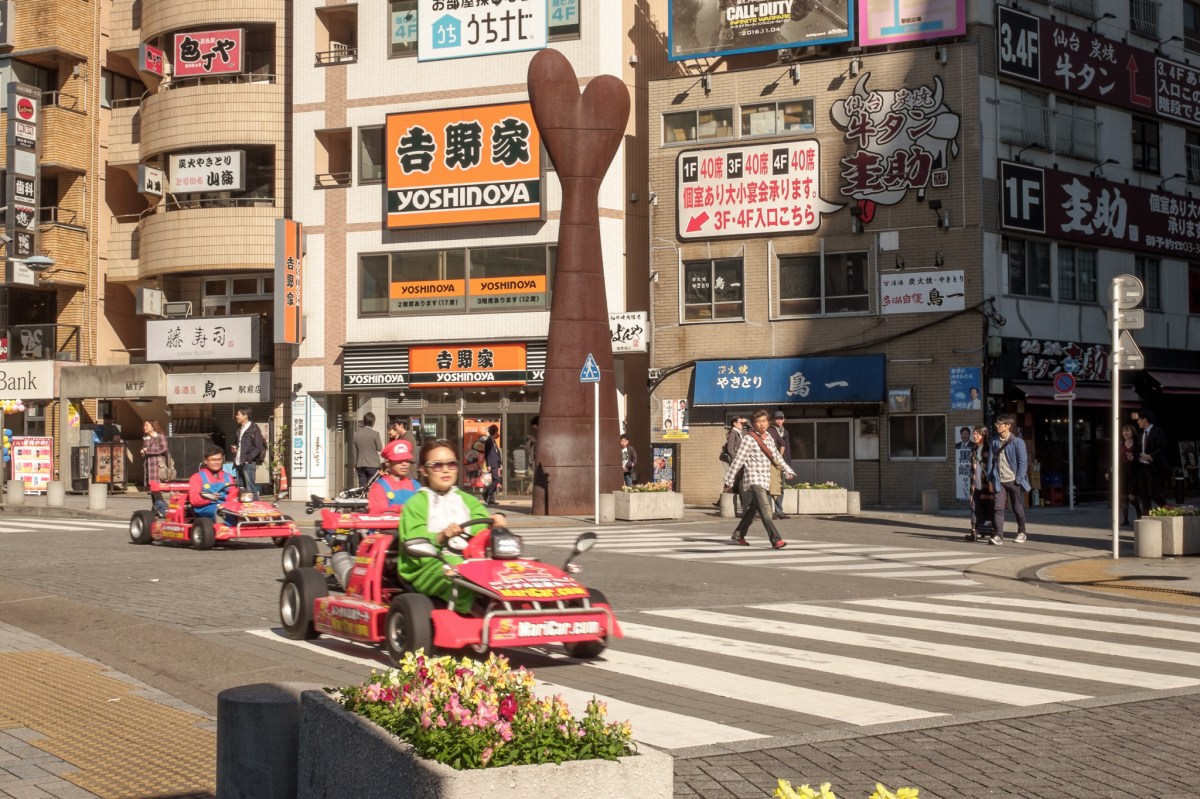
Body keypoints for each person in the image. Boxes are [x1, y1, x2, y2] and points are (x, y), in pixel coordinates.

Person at [397, 440, 507, 612]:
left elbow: (481, 522)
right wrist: (441, 536)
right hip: (427, 566)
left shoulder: (467, 499)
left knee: (511, 570)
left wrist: (495, 522)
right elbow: (413, 541)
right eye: (437, 465)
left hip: (469, 559)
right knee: (462, 575)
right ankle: (472, 615)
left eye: (451, 464)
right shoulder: (415, 504)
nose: (446, 470)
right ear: (424, 470)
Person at [724, 409, 797, 549]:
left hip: (765, 479)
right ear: (754, 423)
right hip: (754, 480)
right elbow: (738, 460)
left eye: (764, 421)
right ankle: (775, 539)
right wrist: (729, 479)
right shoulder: (749, 439)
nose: (762, 424)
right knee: (765, 508)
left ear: (768, 422)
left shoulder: (768, 437)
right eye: (758, 422)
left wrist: (787, 470)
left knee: (754, 509)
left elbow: (776, 456)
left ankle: (738, 534)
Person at [986, 413, 1030, 546]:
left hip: (1013, 480)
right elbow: (990, 462)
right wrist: (990, 479)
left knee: (1017, 508)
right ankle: (998, 535)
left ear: (1008, 425)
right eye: (996, 423)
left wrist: (1019, 479)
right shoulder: (994, 441)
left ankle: (1022, 532)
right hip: (999, 481)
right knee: (998, 508)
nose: (997, 426)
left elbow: (1023, 462)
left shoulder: (1018, 442)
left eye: (999, 424)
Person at [368, 439, 419, 515]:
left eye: (407, 460)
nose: (404, 464)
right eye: (400, 460)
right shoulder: (379, 487)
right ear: (389, 462)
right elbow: (377, 515)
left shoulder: (415, 485)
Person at [1105, 423, 1141, 526]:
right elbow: (1113, 458)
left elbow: (1140, 458)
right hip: (1122, 472)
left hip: (1133, 471)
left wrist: (1133, 458)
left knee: (1132, 497)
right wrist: (1108, 471)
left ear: (1132, 432)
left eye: (1127, 431)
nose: (1125, 433)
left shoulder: (1138, 444)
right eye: (1123, 431)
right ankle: (1125, 519)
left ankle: (1139, 510)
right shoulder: (1120, 444)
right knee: (1123, 496)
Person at [189, 446, 235, 520]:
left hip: (226, 506)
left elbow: (233, 493)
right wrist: (211, 497)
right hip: (205, 508)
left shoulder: (228, 477)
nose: (217, 462)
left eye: (219, 459)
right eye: (213, 460)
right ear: (206, 461)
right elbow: (194, 499)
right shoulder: (197, 477)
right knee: (223, 512)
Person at [1136, 409, 1169, 510]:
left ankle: (1168, 508)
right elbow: (1139, 449)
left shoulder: (1157, 432)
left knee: (1153, 492)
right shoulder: (1141, 434)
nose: (1138, 421)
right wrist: (1136, 457)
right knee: (1143, 494)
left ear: (1145, 419)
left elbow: (1162, 448)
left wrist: (1150, 456)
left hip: (1153, 467)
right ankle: (1146, 515)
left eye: (1139, 419)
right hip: (1142, 467)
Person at [230, 407, 265, 500]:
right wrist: (234, 448)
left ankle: (256, 507)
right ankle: (243, 508)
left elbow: (258, 447)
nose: (236, 416)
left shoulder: (254, 429)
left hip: (247, 463)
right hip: (238, 462)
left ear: (245, 416)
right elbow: (237, 443)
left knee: (250, 489)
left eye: (238, 414)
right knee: (240, 489)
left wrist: (248, 459)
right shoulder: (239, 429)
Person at [965, 425, 993, 541]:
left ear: (984, 435)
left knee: (990, 509)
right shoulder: (973, 449)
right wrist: (971, 491)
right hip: (976, 484)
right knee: (974, 508)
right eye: (974, 433)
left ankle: (993, 532)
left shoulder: (989, 449)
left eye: (977, 433)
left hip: (987, 485)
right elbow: (972, 470)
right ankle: (974, 532)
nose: (974, 435)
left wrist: (992, 483)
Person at [141, 419, 170, 518]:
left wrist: (148, 450)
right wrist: (143, 452)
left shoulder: (160, 436)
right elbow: (146, 452)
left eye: (147, 425)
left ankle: (163, 509)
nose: (144, 427)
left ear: (153, 426)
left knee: (156, 489)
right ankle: (156, 510)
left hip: (157, 466)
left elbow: (164, 449)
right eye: (144, 425)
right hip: (148, 466)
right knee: (153, 490)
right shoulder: (146, 438)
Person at [767, 410, 791, 520]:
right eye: (777, 418)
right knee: (770, 487)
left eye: (781, 418)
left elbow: (787, 447)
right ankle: (769, 512)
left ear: (784, 419)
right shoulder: (770, 430)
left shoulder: (785, 432)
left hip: (782, 463)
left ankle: (779, 511)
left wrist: (788, 464)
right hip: (771, 462)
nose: (779, 421)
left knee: (781, 487)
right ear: (773, 420)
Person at [353, 412, 383, 488]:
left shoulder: (356, 434)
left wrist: (355, 464)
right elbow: (379, 448)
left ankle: (363, 495)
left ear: (364, 421)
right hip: (373, 464)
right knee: (372, 487)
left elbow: (354, 451)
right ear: (373, 422)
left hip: (360, 464)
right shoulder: (375, 434)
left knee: (362, 487)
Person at [483, 424, 503, 505]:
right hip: (492, 463)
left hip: (496, 463)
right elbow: (487, 454)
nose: (498, 433)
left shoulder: (493, 440)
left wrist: (499, 463)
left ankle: (491, 499)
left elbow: (496, 452)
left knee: (494, 480)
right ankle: (486, 492)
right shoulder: (488, 441)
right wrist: (488, 465)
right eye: (497, 432)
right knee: (497, 480)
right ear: (495, 432)